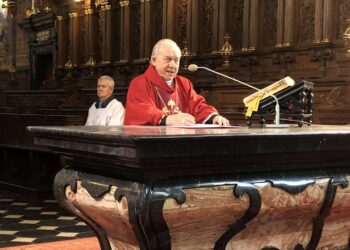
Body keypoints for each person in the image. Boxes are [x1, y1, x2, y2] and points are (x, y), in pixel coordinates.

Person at [124, 38, 230, 126]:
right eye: (168, 59)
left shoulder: (184, 84)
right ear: (154, 60)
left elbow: (198, 106)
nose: (173, 65)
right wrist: (168, 119)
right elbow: (142, 111)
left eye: (176, 60)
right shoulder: (140, 83)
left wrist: (214, 117)